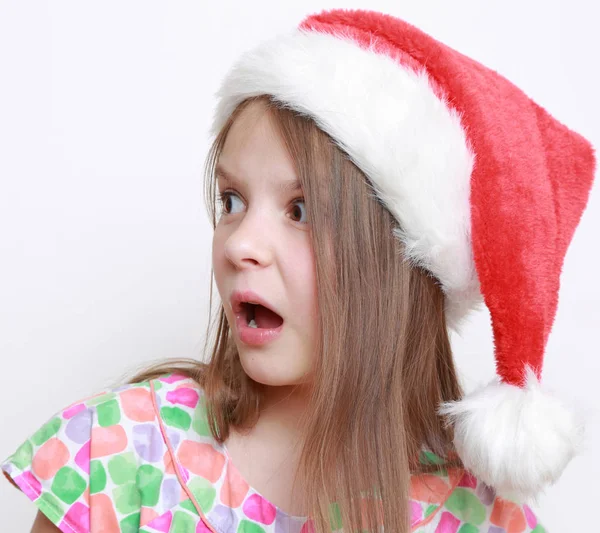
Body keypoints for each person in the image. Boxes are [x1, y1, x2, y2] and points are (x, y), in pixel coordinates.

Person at [2, 8, 595, 533]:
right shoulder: (120, 452)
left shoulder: (475, 516)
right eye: (232, 201)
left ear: (397, 264)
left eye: (300, 210)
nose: (241, 245)